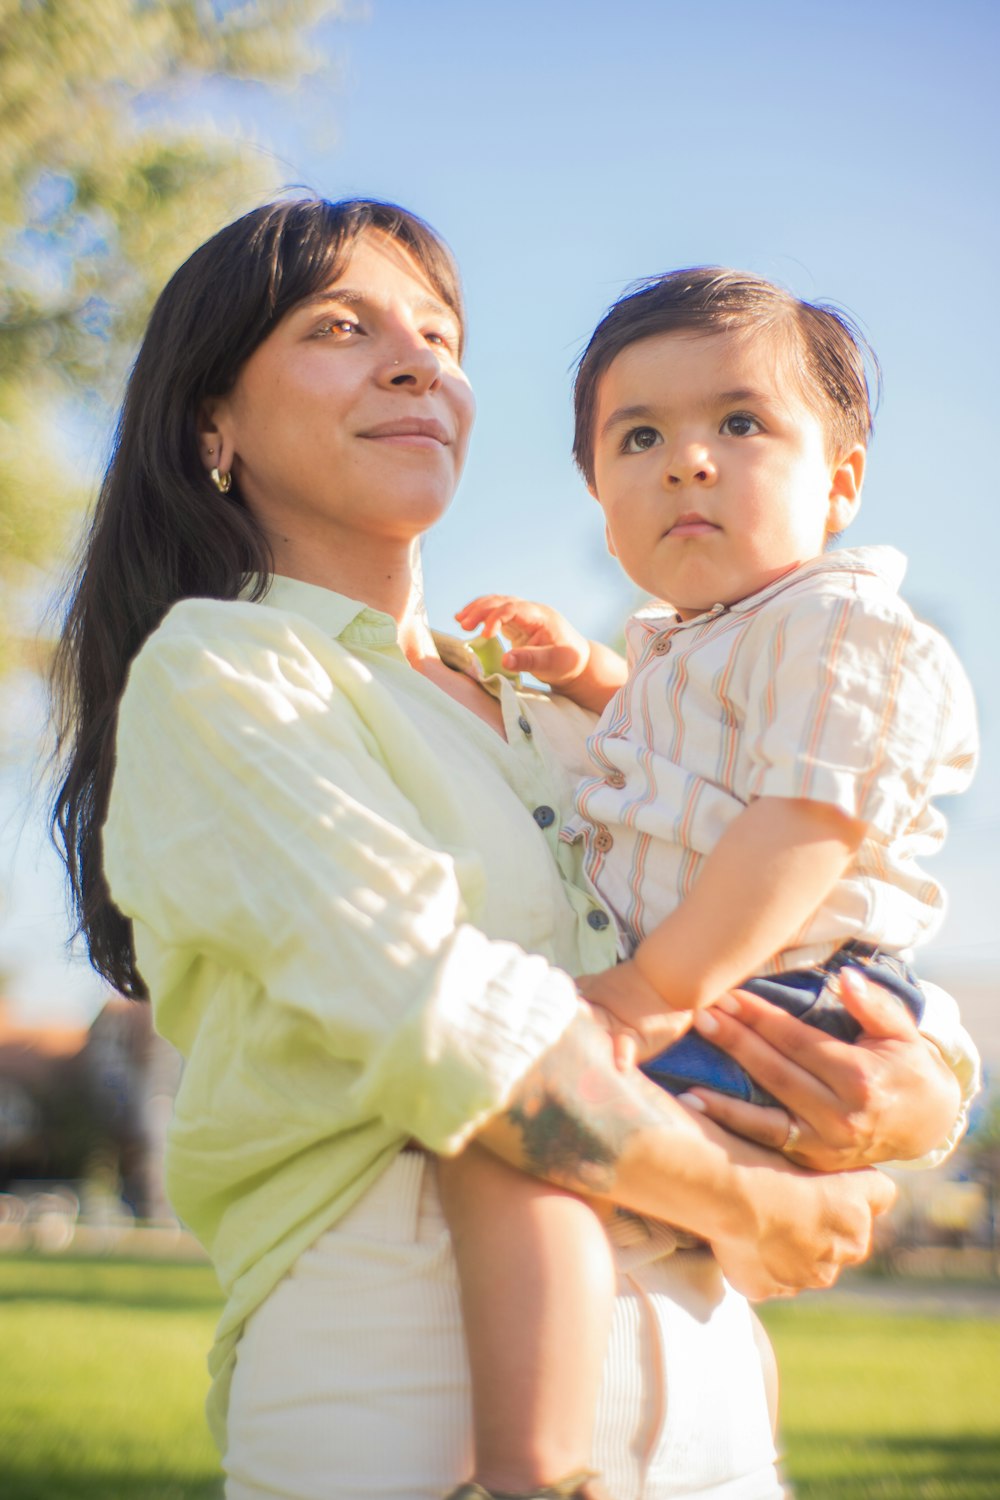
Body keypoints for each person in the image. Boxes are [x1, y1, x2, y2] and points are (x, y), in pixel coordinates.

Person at [49, 202, 977, 1500]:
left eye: (439, 333)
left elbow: (808, 883)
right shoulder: (230, 676)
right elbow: (459, 1033)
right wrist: (758, 1205)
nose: (414, 359)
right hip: (398, 1412)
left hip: (705, 1420)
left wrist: (926, 1085)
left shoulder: (569, 707)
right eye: (340, 328)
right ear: (214, 425)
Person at [449, 267, 979, 1493]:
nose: (689, 460)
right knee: (672, 1252)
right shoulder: (704, 642)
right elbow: (681, 751)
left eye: (741, 424)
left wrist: (644, 991)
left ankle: (529, 1468)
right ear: (595, 490)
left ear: (837, 483)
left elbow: (799, 826)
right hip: (745, 993)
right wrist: (583, 673)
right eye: (640, 437)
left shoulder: (838, 628)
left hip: (778, 991)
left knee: (519, 1135)